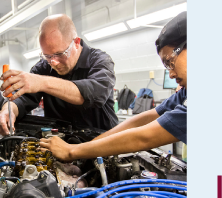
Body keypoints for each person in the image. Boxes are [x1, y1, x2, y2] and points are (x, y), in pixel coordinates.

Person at [39, 11, 187, 161]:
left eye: (170, 62)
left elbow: (144, 138)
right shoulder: (186, 93)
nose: (171, 74)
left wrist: (72, 151)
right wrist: (90, 146)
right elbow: (144, 119)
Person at [0, 14, 117, 135]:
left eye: (59, 54)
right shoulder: (43, 67)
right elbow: (24, 98)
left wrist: (42, 82)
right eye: (47, 56)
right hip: (60, 144)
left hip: (100, 143)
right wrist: (9, 110)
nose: (53, 62)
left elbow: (96, 93)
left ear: (76, 42)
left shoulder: (100, 61)